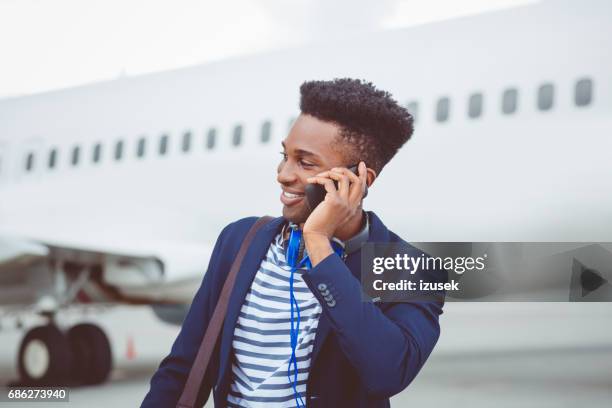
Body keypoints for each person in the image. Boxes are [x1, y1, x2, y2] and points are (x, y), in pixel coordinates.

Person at [142, 78, 444, 408]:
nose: (283, 174)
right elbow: (183, 368)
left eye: (305, 162)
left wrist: (319, 245)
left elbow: (388, 372)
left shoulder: (412, 269)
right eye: (284, 155)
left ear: (359, 180)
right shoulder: (239, 240)